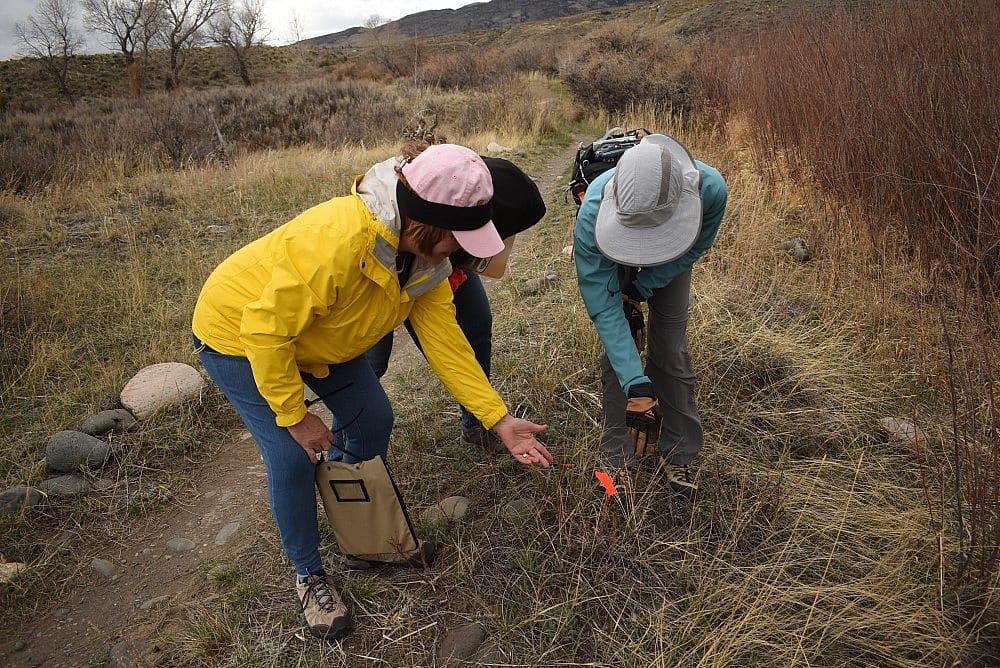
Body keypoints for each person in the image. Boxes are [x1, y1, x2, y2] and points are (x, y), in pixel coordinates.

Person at [192, 143, 554, 642]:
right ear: (427, 224)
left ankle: (358, 535)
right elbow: (265, 330)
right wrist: (296, 416)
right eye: (459, 238)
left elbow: (446, 341)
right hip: (237, 332)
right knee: (290, 454)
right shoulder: (338, 241)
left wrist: (496, 418)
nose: (466, 251)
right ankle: (309, 575)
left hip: (325, 336)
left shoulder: (425, 260)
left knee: (370, 419)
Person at [358, 145, 547, 454]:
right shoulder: (394, 221)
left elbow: (446, 343)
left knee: (475, 326)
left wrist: (496, 418)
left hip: (435, 257)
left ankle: (476, 422)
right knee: (369, 361)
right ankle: (347, 451)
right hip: (387, 269)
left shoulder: (466, 204)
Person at [574, 133, 727, 499]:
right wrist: (636, 385)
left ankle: (680, 452)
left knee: (670, 349)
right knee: (619, 351)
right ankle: (616, 462)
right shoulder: (592, 217)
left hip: (675, 258)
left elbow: (695, 247)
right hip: (614, 250)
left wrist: (643, 287)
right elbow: (602, 304)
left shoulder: (711, 191)